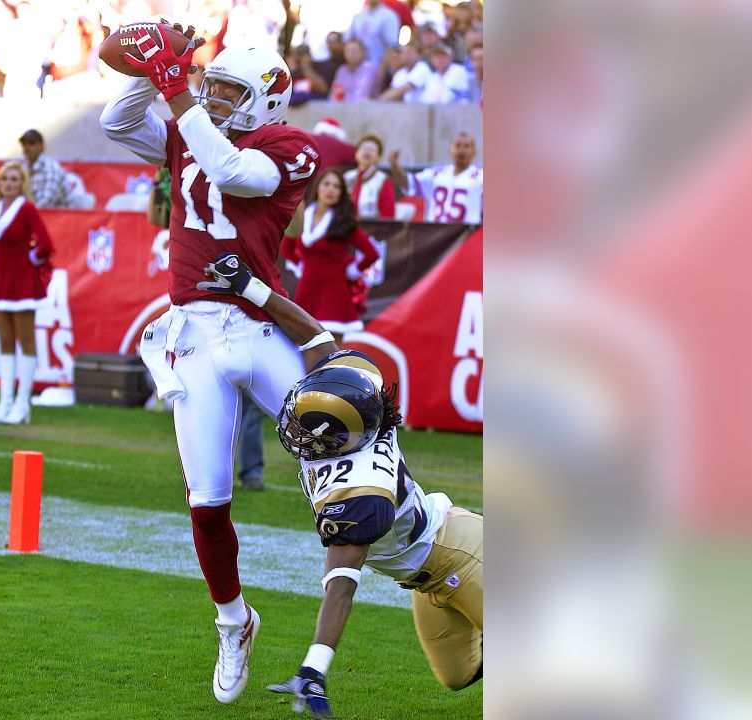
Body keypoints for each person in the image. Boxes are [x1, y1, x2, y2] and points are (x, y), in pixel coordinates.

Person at [98, 21, 320, 705]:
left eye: (228, 89)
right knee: (206, 500)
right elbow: (114, 123)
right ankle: (233, 621)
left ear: (266, 100)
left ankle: (418, 535)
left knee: (335, 449)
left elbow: (229, 169)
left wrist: (177, 89)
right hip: (193, 333)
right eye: (211, 85)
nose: (213, 96)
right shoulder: (188, 132)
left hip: (258, 326)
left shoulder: (287, 146)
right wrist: (151, 62)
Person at [196, 252, 484, 719]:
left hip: (460, 553)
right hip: (423, 577)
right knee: (458, 675)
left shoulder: (362, 489)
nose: (297, 429)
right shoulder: (355, 398)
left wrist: (314, 667)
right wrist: (249, 286)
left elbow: (341, 584)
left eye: (310, 429)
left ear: (338, 439)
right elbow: (315, 337)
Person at [0, 161, 54, 424]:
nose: (8, 184)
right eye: (4, 179)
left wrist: (27, 260)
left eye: (13, 179)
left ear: (22, 183)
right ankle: (4, 403)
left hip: (22, 282)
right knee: (5, 344)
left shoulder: (27, 208)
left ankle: (22, 406)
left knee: (26, 341)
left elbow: (46, 244)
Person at [281, 169, 381, 344]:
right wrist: (301, 267)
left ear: (341, 194)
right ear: (318, 187)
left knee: (332, 351)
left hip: (334, 293)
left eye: (336, 187)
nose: (331, 190)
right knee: (302, 346)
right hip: (306, 290)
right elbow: (287, 249)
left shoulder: (343, 222)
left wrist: (352, 270)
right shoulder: (303, 216)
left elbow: (372, 254)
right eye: (326, 184)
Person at [389, 131, 483, 224]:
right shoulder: (436, 173)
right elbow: (408, 184)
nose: (461, 150)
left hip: (465, 234)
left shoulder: (480, 177)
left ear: (474, 152)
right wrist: (395, 166)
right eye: (457, 145)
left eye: (466, 146)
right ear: (450, 149)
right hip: (436, 234)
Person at [343, 134, 397, 220]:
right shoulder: (347, 177)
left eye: (372, 150)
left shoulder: (383, 180)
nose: (367, 152)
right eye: (364, 148)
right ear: (356, 154)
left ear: (378, 157)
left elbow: (388, 216)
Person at [18, 128, 72, 208]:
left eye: (31, 143)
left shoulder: (50, 168)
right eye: (23, 144)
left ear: (42, 146)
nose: (26, 147)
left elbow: (47, 202)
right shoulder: (24, 168)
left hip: (57, 217)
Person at [344, 0, 400, 68]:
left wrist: (381, 70)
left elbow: (392, 46)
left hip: (377, 67)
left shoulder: (389, 16)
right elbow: (348, 40)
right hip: (358, 69)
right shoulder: (359, 15)